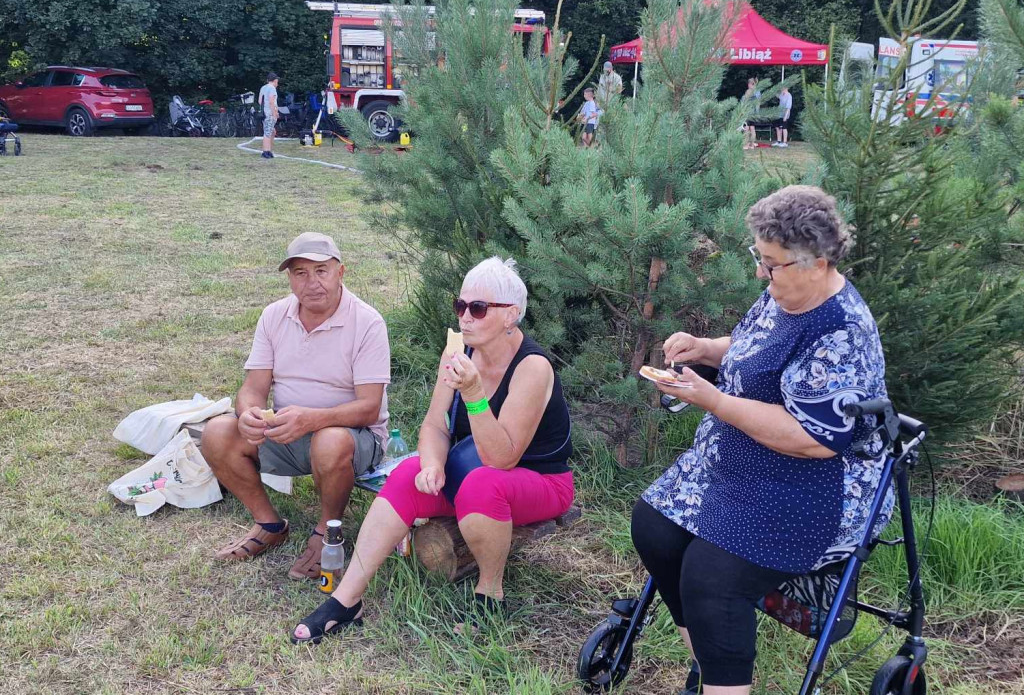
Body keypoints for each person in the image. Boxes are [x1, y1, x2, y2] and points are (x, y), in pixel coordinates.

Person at [632, 185, 889, 695]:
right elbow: (755, 346)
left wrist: (715, 401)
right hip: (745, 455)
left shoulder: (841, 332)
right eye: (760, 258)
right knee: (654, 526)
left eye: (769, 263)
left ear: (816, 262)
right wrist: (706, 348)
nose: (760, 273)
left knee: (711, 578)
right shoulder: (786, 291)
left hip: (818, 483)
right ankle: (707, 664)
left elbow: (814, 438)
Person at [289, 256, 574, 644]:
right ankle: (347, 598)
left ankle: (490, 595)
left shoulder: (533, 367)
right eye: (461, 306)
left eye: (477, 308)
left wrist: (473, 394)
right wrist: (433, 463)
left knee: (482, 484)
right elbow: (435, 423)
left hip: (541, 481)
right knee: (407, 475)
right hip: (474, 468)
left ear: (511, 315)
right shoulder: (459, 352)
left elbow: (502, 457)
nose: (465, 317)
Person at [201, 232, 391, 581]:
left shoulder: (367, 322)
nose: (311, 283)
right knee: (217, 432)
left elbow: (369, 408)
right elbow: (253, 388)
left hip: (354, 438)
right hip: (289, 429)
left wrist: (313, 420)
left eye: (321, 271)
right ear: (290, 278)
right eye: (300, 273)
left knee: (330, 440)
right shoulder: (274, 315)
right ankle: (269, 524)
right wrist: (248, 415)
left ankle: (326, 534)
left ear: (341, 272)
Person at [258, 72, 280, 159]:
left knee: (272, 131)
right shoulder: (272, 89)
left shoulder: (263, 88)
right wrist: (275, 113)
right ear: (275, 80)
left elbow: (260, 101)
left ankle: (269, 150)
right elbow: (272, 102)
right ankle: (266, 151)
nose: (277, 83)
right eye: (277, 81)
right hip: (269, 113)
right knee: (267, 132)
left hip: (264, 113)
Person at [740, 77, 761, 150]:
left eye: (748, 84)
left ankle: (746, 145)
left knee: (746, 129)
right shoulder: (757, 92)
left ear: (750, 84)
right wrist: (757, 113)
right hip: (753, 113)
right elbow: (758, 104)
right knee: (752, 129)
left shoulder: (749, 92)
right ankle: (752, 145)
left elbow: (743, 102)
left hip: (748, 113)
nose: (748, 85)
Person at [772, 84, 793, 148]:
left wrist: (785, 117)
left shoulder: (789, 96)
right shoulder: (782, 94)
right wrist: (773, 91)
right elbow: (778, 96)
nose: (781, 89)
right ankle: (779, 141)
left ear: (786, 88)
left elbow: (788, 107)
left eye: (783, 88)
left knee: (784, 128)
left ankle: (785, 142)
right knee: (778, 127)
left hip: (785, 114)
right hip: (779, 114)